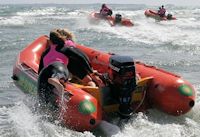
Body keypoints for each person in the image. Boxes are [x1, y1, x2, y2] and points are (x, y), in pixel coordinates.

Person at [38, 28, 104, 99]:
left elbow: (40, 70)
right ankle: (90, 93)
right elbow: (81, 57)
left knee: (56, 76)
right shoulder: (65, 47)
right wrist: (91, 71)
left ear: (50, 41)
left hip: (46, 72)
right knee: (64, 73)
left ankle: (56, 82)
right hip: (61, 67)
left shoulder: (45, 52)